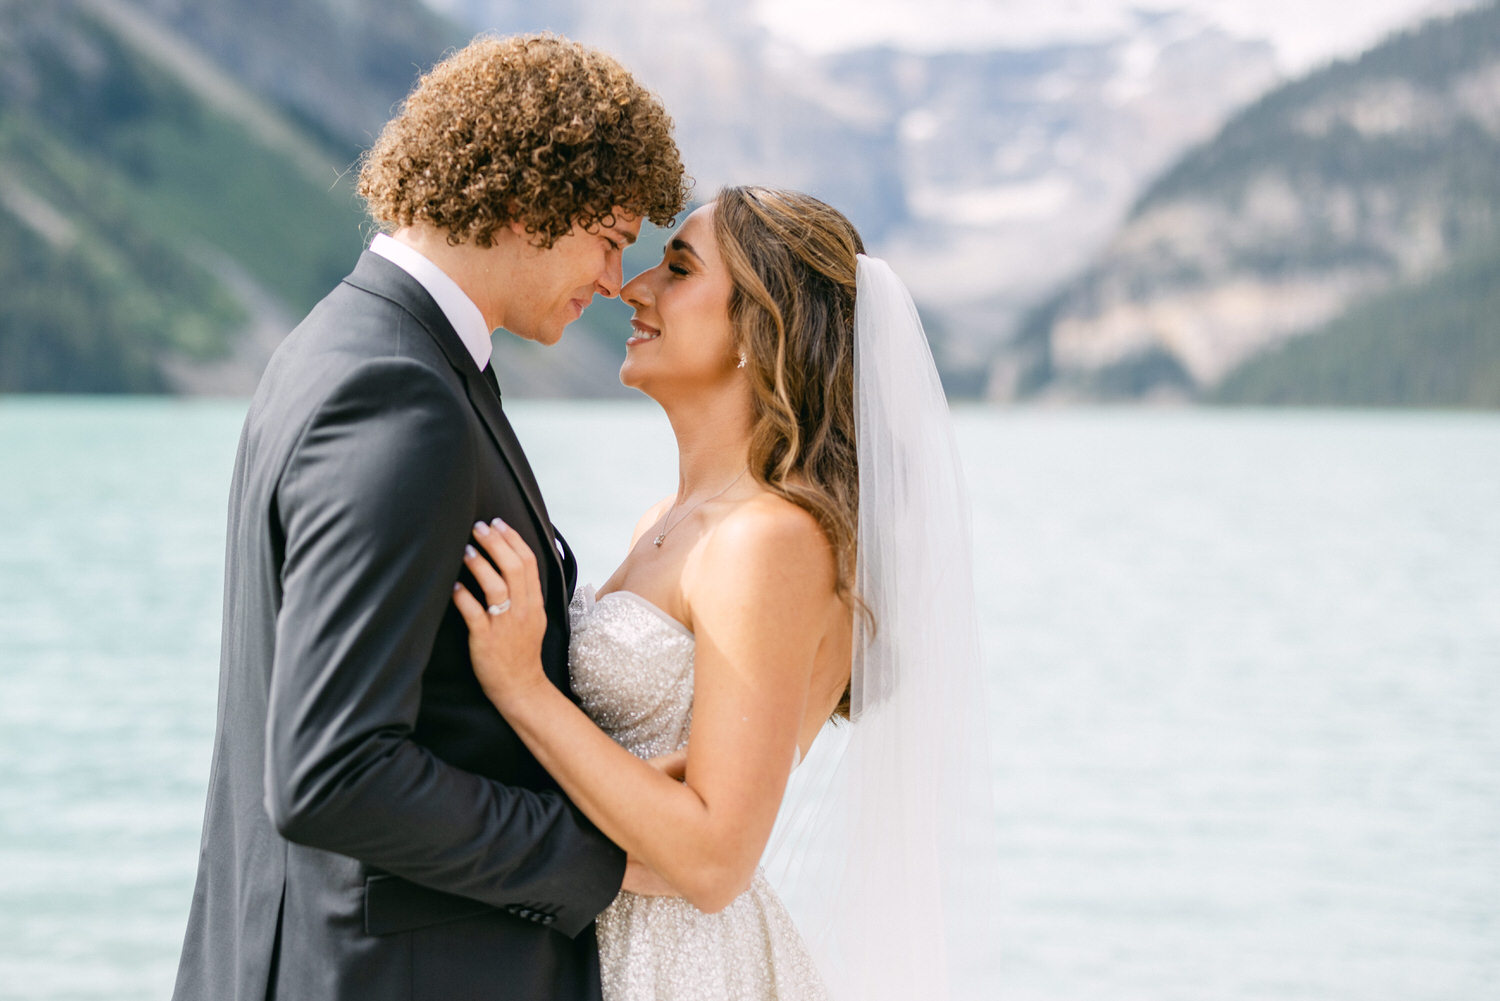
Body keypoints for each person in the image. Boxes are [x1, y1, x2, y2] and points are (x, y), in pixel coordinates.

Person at [171, 34, 687, 1001]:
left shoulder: (354, 349)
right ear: (533, 198)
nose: (618, 277)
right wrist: (606, 858)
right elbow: (332, 768)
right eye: (611, 236)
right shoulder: (397, 391)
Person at [450, 186, 992, 1000]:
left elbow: (711, 861)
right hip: (591, 939)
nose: (633, 288)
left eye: (678, 268)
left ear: (757, 331)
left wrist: (523, 688)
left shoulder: (769, 540)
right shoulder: (663, 521)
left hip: (681, 965)